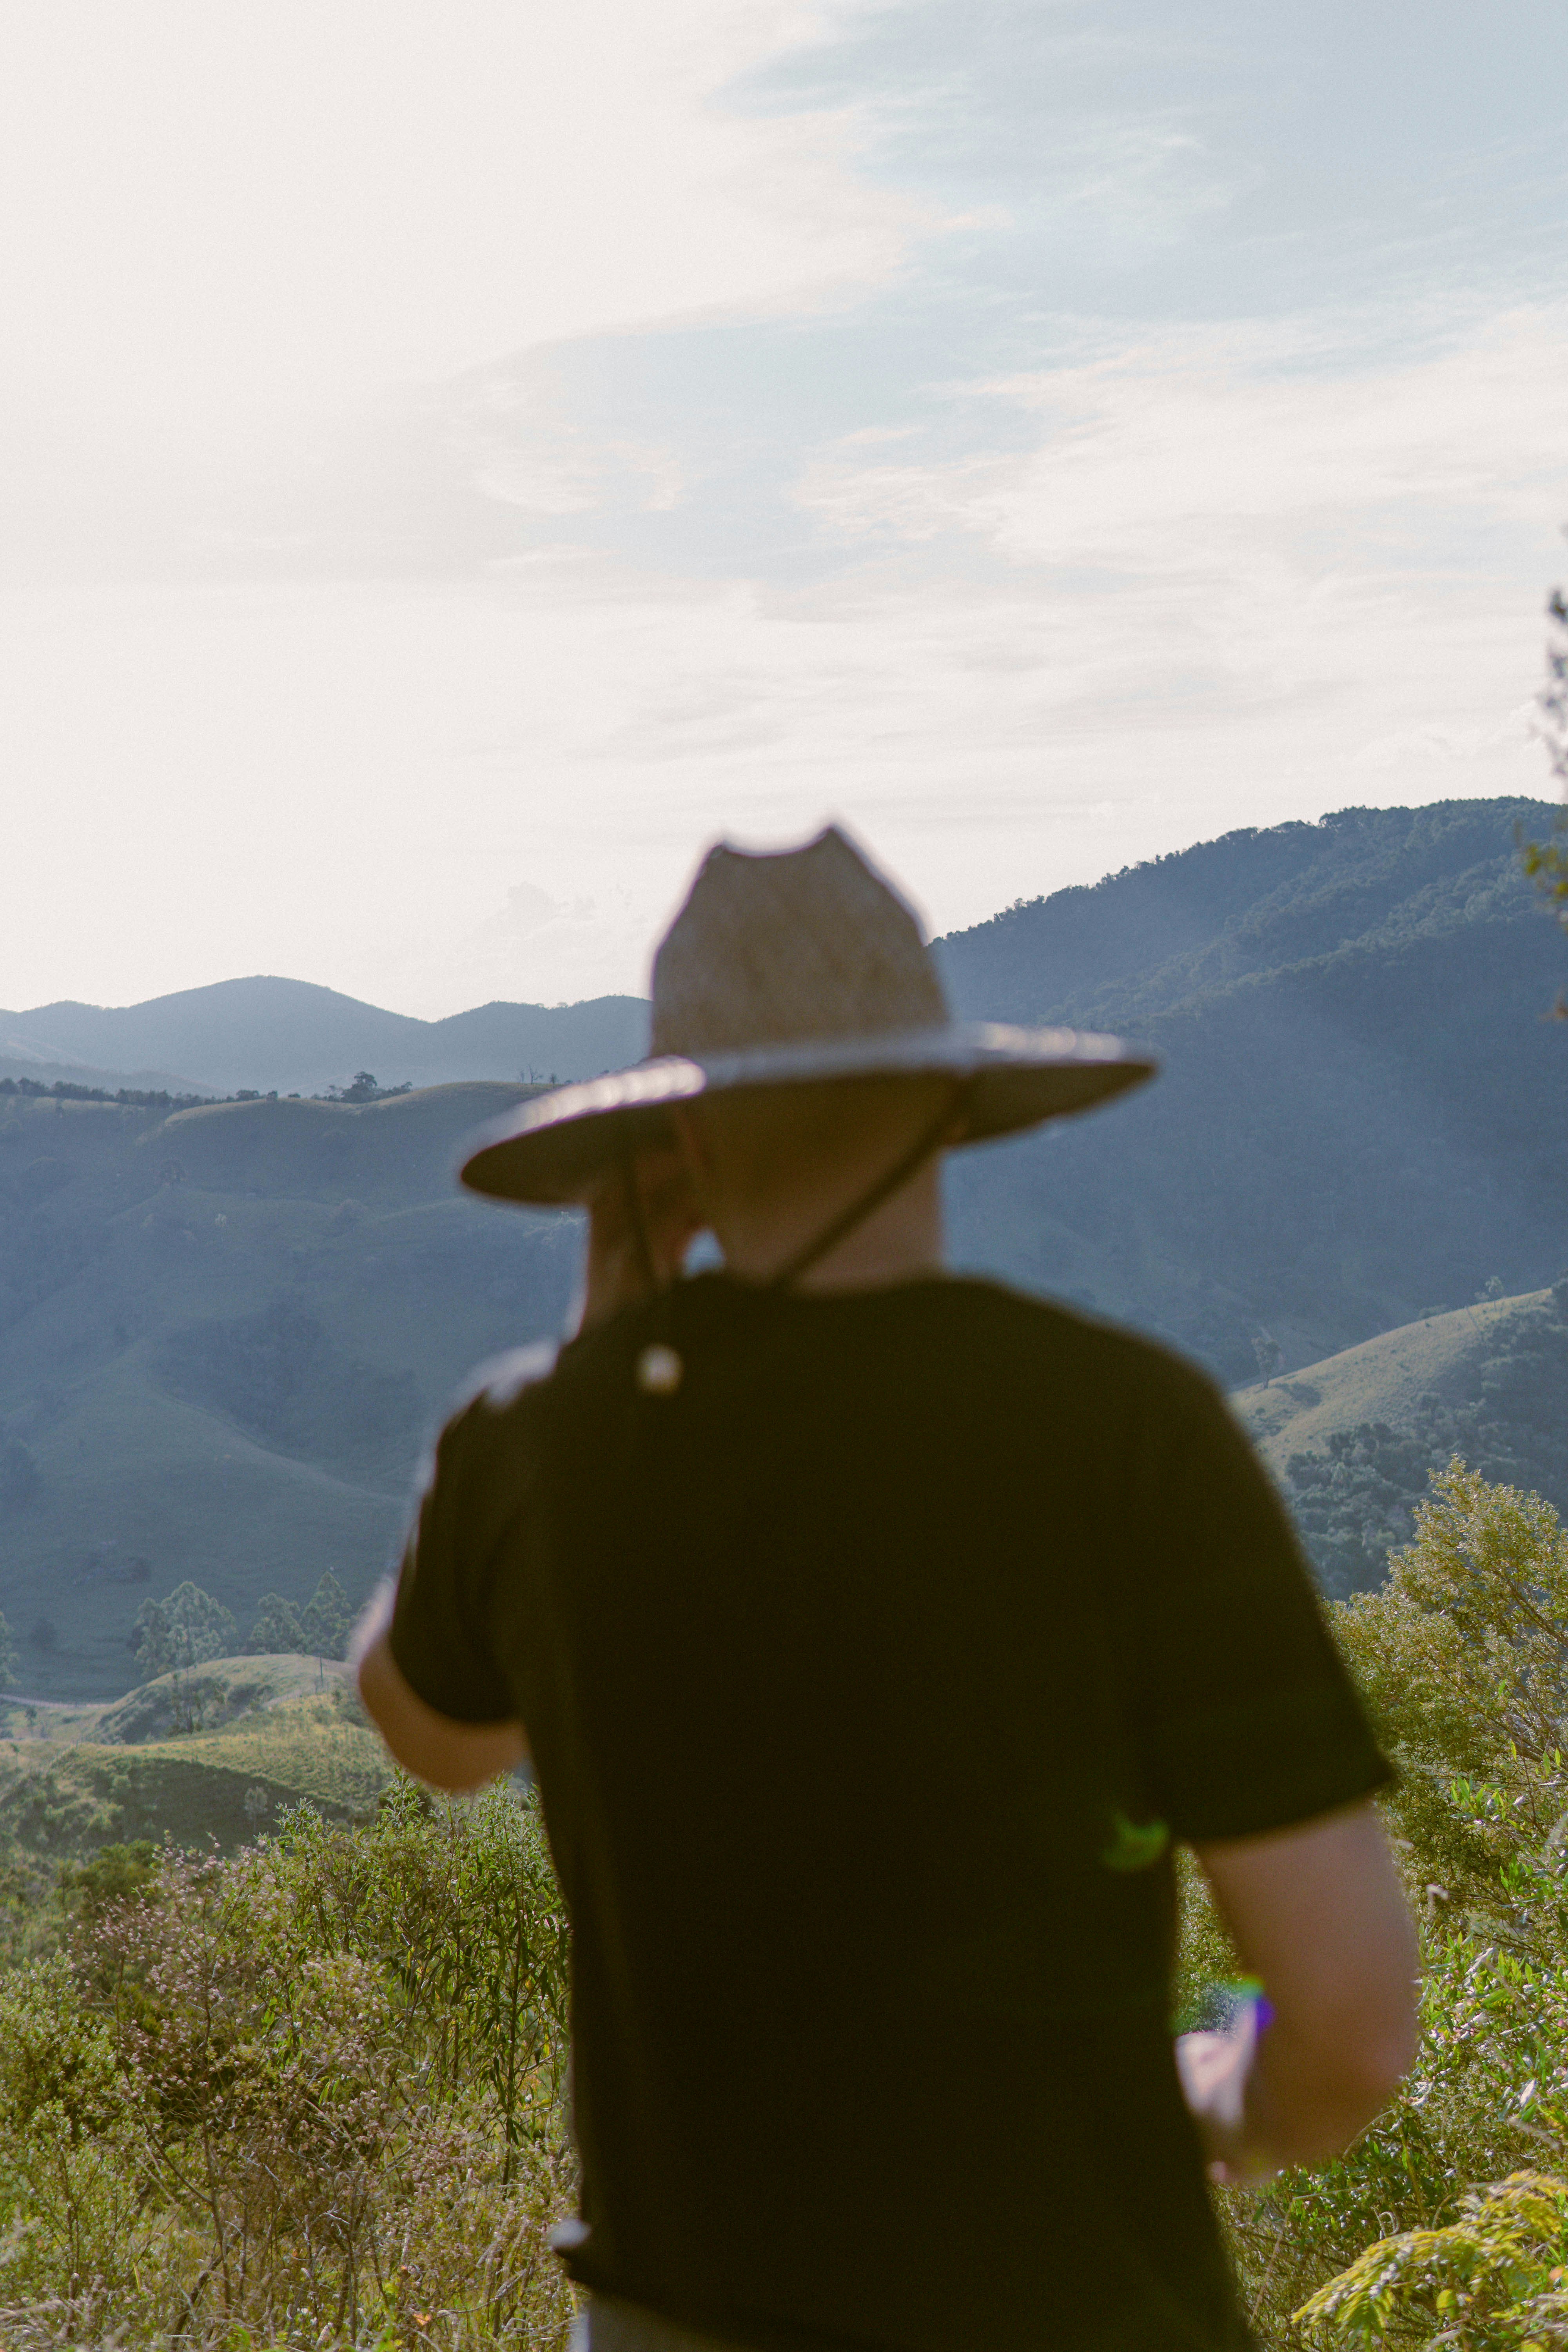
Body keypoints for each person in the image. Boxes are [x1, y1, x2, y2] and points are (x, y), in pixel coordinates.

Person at [358, 825, 1418, 2352]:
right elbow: (1351, 2027)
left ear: (680, 1143)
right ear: (944, 1098)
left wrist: (592, 1350)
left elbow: (434, 1734)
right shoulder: (1128, 1430)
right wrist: (1224, 2099)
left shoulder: (537, 1441)